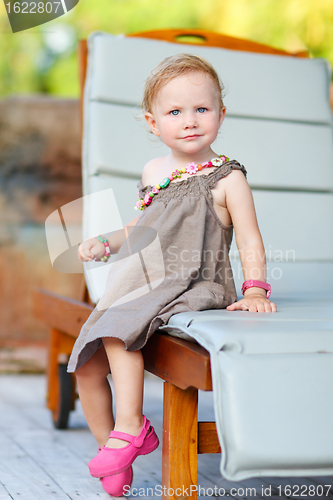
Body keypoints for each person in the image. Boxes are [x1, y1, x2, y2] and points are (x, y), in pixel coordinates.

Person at [73, 53, 277, 496]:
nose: (189, 121)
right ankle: (115, 450)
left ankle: (130, 428)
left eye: (201, 109)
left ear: (221, 114)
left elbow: (250, 239)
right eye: (174, 112)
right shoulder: (153, 173)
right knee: (86, 367)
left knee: (117, 331)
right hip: (142, 279)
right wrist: (107, 243)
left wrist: (255, 288)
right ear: (152, 122)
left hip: (193, 280)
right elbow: (141, 231)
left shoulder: (228, 178)